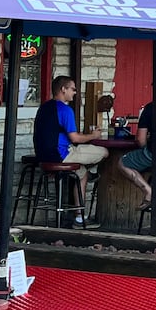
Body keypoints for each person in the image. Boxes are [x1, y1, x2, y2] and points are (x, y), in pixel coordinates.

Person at [33, 76, 107, 226]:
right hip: (61, 155)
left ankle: (87, 173)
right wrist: (93, 135)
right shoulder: (65, 110)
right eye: (73, 89)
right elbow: (75, 139)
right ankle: (79, 217)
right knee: (105, 152)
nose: (75, 92)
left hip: (43, 156)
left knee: (82, 173)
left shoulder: (44, 107)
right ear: (63, 89)